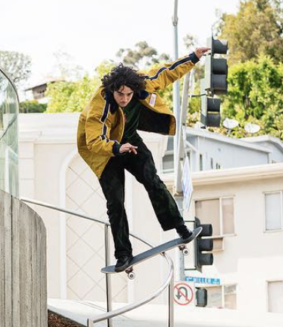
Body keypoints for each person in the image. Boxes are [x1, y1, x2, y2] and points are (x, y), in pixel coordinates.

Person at [76, 48, 210, 271]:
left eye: (129, 95)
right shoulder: (100, 107)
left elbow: (168, 72)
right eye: (121, 95)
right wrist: (117, 148)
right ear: (112, 90)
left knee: (153, 180)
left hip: (130, 142)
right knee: (116, 202)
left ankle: (180, 228)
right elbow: (94, 142)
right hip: (105, 153)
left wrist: (194, 57)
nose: (125, 99)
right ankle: (123, 255)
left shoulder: (144, 85)